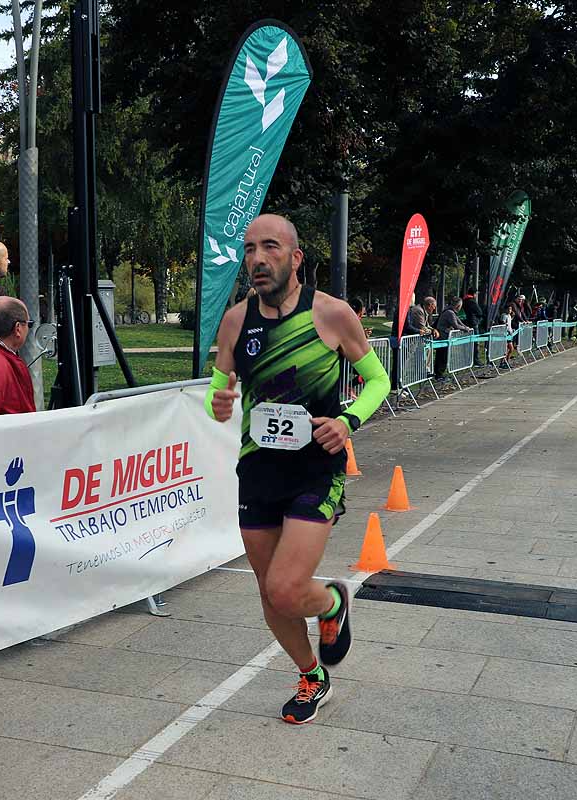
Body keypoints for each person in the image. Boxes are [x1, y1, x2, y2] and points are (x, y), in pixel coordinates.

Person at [208, 214, 389, 725]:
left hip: (316, 471)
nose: (257, 260)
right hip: (258, 471)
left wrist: (348, 420)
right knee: (269, 593)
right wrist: (217, 404)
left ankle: (332, 600)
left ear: (295, 258)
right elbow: (217, 391)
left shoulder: (332, 315)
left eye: (269, 248)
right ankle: (312, 674)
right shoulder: (235, 321)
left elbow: (379, 380)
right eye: (248, 250)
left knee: (287, 588)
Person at [434, 296, 474, 379]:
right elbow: (456, 325)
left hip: (444, 336)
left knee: (443, 356)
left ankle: (440, 374)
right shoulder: (450, 313)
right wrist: (466, 329)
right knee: (442, 356)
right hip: (443, 337)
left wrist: (466, 327)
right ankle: (439, 374)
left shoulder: (451, 312)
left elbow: (459, 322)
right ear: (458, 306)